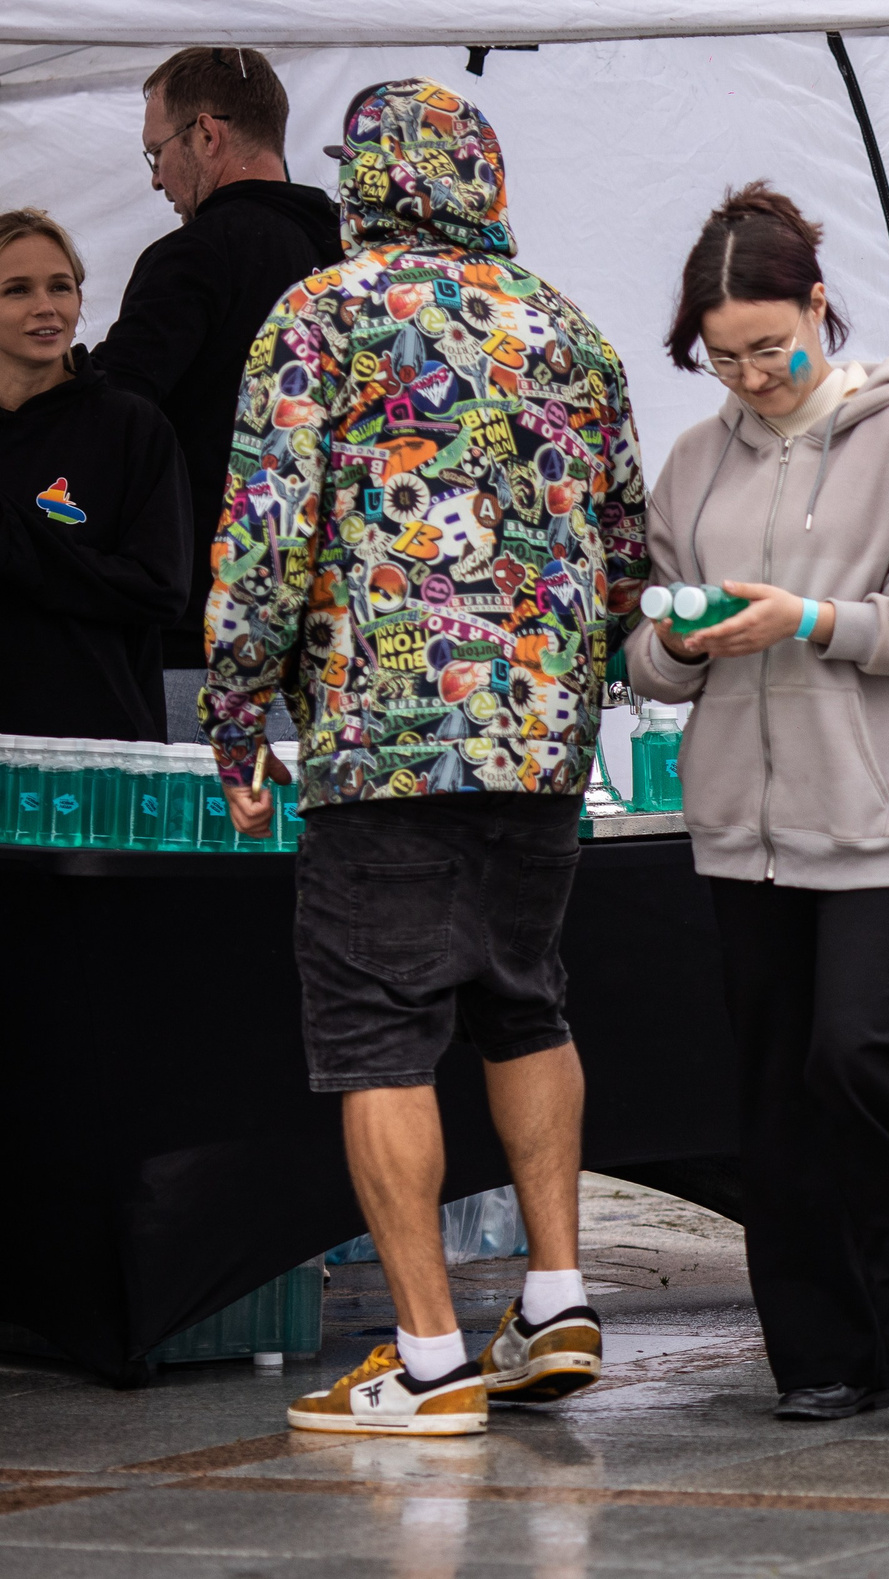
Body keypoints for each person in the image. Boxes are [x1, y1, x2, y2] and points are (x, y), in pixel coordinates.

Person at [205, 79, 651, 1436]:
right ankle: (556, 1294)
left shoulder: (323, 315)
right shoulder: (570, 329)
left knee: (375, 1029)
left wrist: (238, 708)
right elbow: (629, 553)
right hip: (541, 743)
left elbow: (270, 532)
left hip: (381, 736)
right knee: (526, 997)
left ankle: (429, 1354)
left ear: (368, 180)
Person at [626, 183, 889, 1433]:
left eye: (770, 347)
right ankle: (816, 1349)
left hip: (887, 815)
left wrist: (808, 620)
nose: (749, 375)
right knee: (774, 1092)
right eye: (721, 356)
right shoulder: (692, 464)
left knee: (858, 1055)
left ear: (818, 309)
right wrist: (683, 643)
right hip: (741, 828)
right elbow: (640, 659)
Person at [91, 47, 339, 739]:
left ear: (208, 134)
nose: (157, 180)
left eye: (157, 153)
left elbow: (113, 421)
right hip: (343, 651)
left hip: (211, 646)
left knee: (200, 845)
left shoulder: (195, 255)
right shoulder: (353, 263)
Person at [0, 210, 190, 741]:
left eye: (60, 287)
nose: (46, 307)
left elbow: (159, 590)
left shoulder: (130, 427)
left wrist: (17, 541)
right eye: (17, 290)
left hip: (93, 755)